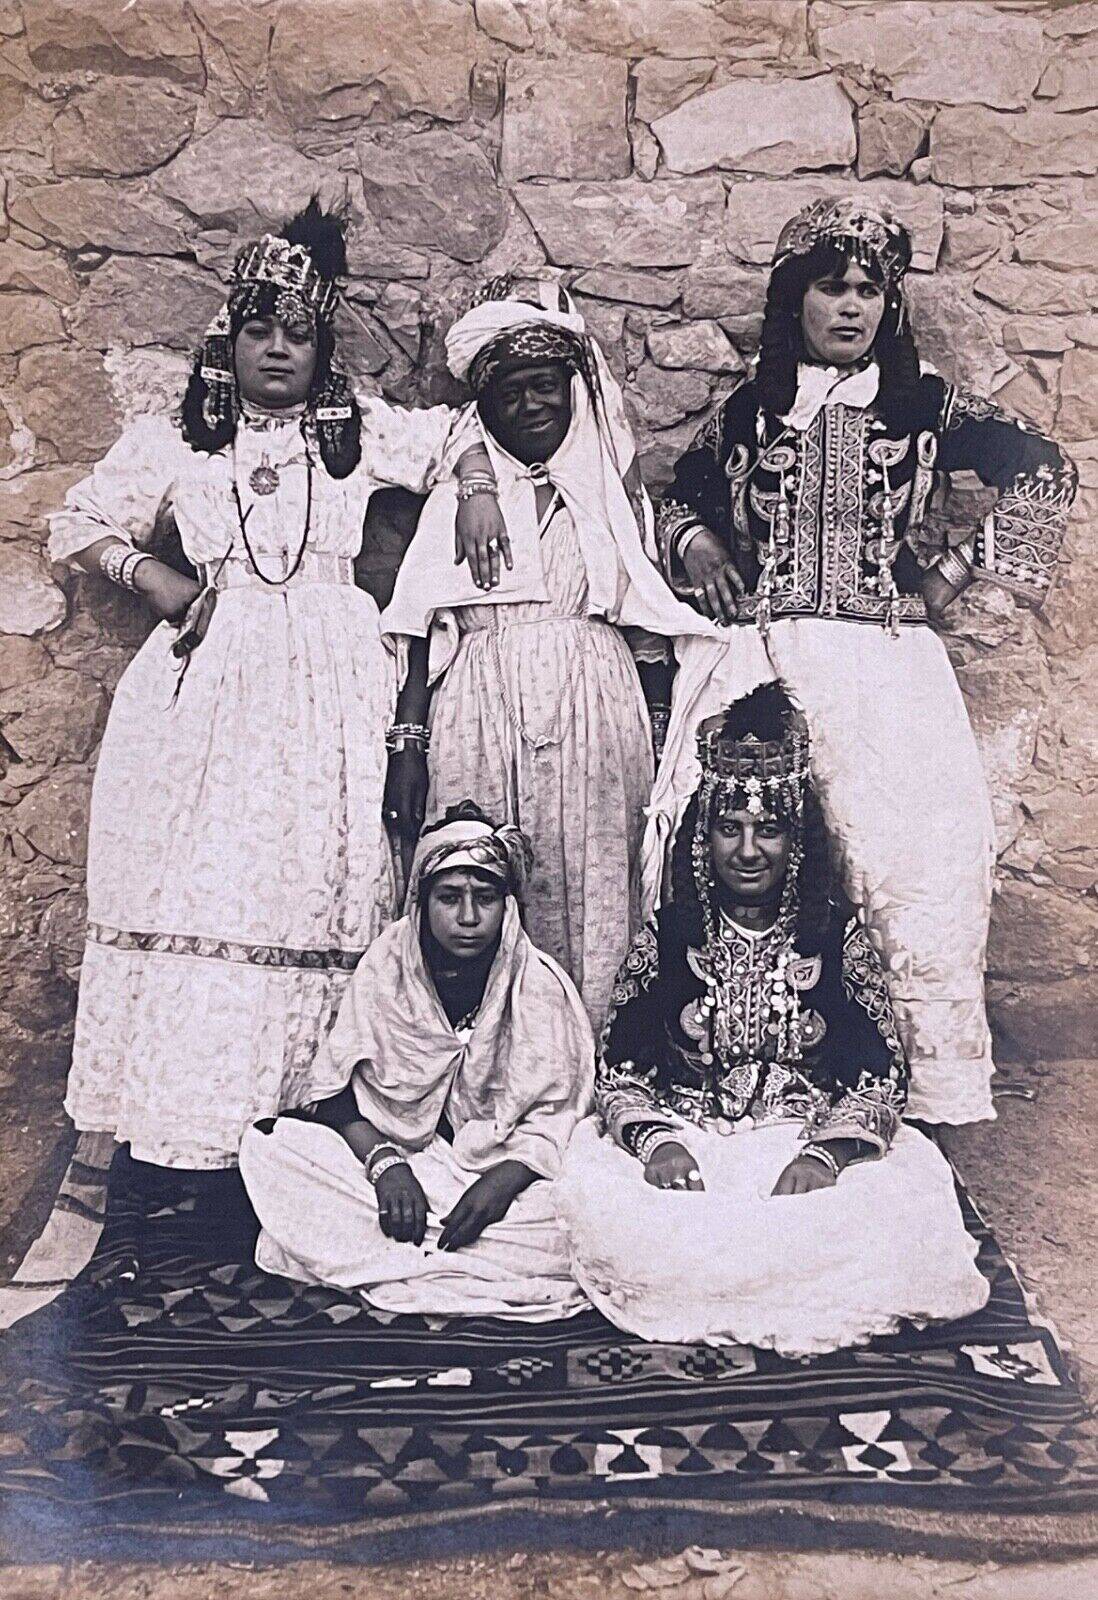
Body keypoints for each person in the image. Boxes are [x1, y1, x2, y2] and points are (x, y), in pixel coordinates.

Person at [46, 202, 505, 1172]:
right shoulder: (182, 444)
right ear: (229, 338)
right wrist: (157, 577)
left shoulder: (356, 432)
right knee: (209, 887)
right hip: (206, 692)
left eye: (299, 332)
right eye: (260, 329)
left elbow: (458, 429)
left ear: (322, 346)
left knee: (313, 892)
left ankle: (304, 1138)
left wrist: (473, 489)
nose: (279, 350)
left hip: (330, 692)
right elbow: (74, 519)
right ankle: (190, 1133)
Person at [646, 198, 1077, 1126]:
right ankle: (782, 1083)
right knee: (778, 857)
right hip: (779, 665)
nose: (851, 307)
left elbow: (1045, 466)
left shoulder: (921, 401)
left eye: (869, 290)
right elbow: (674, 494)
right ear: (792, 298)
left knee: (914, 866)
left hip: (893, 675)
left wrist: (958, 569)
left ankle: (914, 1097)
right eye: (830, 287)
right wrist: (698, 549)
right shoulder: (754, 412)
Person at [556, 685, 990, 1355]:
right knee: (614, 1213)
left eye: (769, 828)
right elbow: (620, 1069)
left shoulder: (832, 935)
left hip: (803, 1142)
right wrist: (656, 1144)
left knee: (903, 1212)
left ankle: (737, 1286)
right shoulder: (671, 934)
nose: (749, 848)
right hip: (688, 1139)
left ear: (797, 837)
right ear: (703, 837)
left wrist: (826, 1153)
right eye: (730, 828)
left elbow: (879, 1076)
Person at [381, 279, 721, 1030]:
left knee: (593, 877)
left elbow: (645, 622)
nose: (531, 406)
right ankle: (476, 1061)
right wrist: (407, 744)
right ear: (487, 408)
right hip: (480, 698)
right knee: (478, 884)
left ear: (573, 391)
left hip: (594, 703)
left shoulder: (605, 495)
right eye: (510, 394)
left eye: (546, 387)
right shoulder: (459, 496)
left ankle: (596, 1056)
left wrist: (662, 732)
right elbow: (419, 627)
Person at [239, 805, 594, 1320]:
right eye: (449, 898)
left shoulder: (537, 983)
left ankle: (407, 1255)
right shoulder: (388, 965)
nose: (468, 918)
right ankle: (462, 1261)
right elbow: (333, 1095)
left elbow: (563, 1114)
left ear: (508, 906)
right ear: (422, 903)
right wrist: (384, 1165)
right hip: (396, 1160)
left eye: (486, 899)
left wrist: (502, 1182)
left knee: (579, 1202)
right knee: (275, 1147)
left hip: (502, 1174)